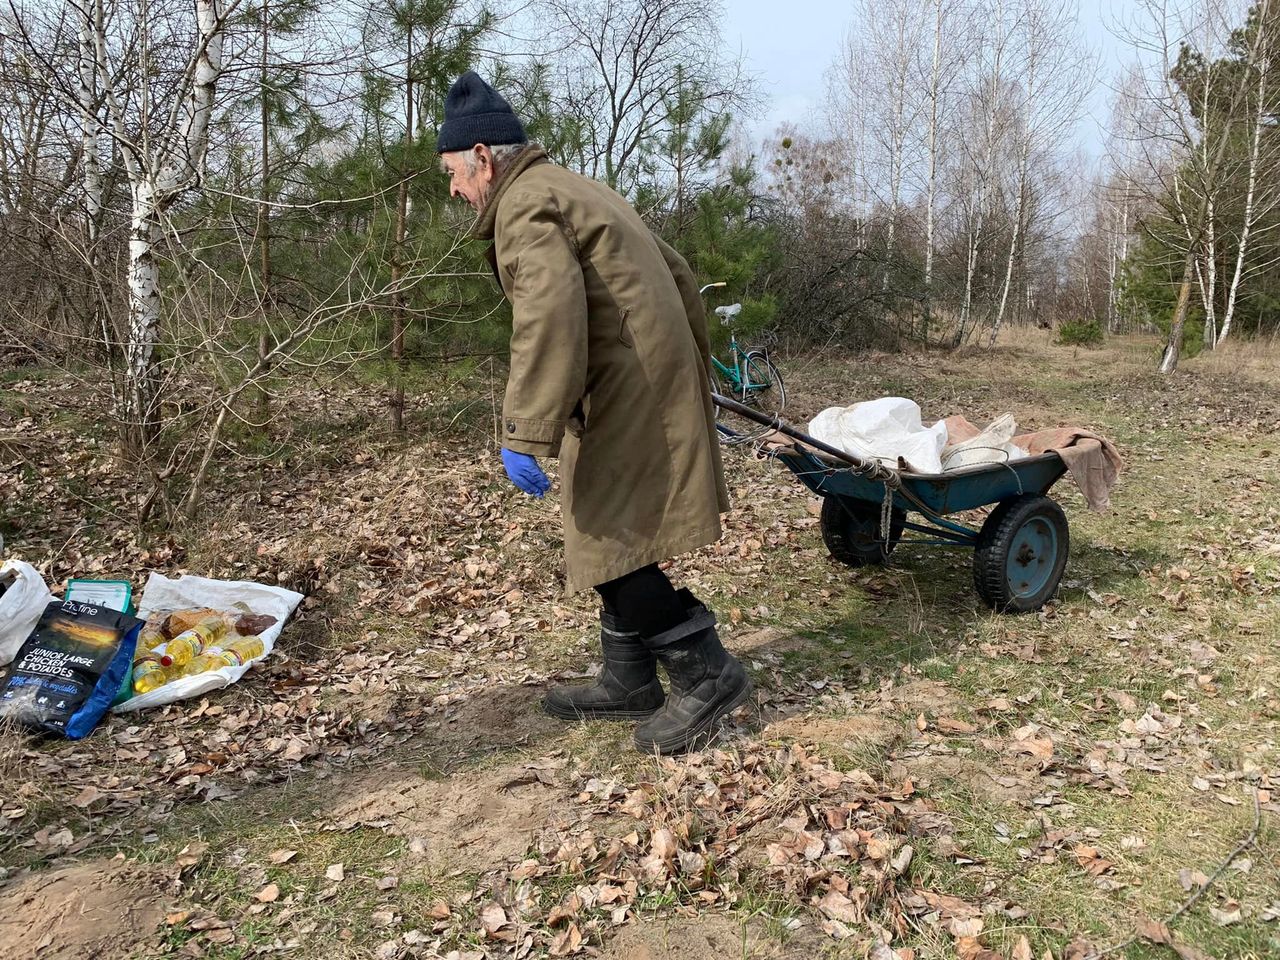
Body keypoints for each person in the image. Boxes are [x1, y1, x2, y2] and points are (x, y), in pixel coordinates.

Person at [436, 71, 750, 755]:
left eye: (455, 175)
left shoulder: (524, 207)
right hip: (631, 379)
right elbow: (677, 271)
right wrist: (690, 370)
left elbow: (548, 317)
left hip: (625, 383)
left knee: (613, 537)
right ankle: (628, 677)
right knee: (602, 530)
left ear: (483, 157)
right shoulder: (572, 186)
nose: (455, 192)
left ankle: (708, 675)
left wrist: (524, 429)